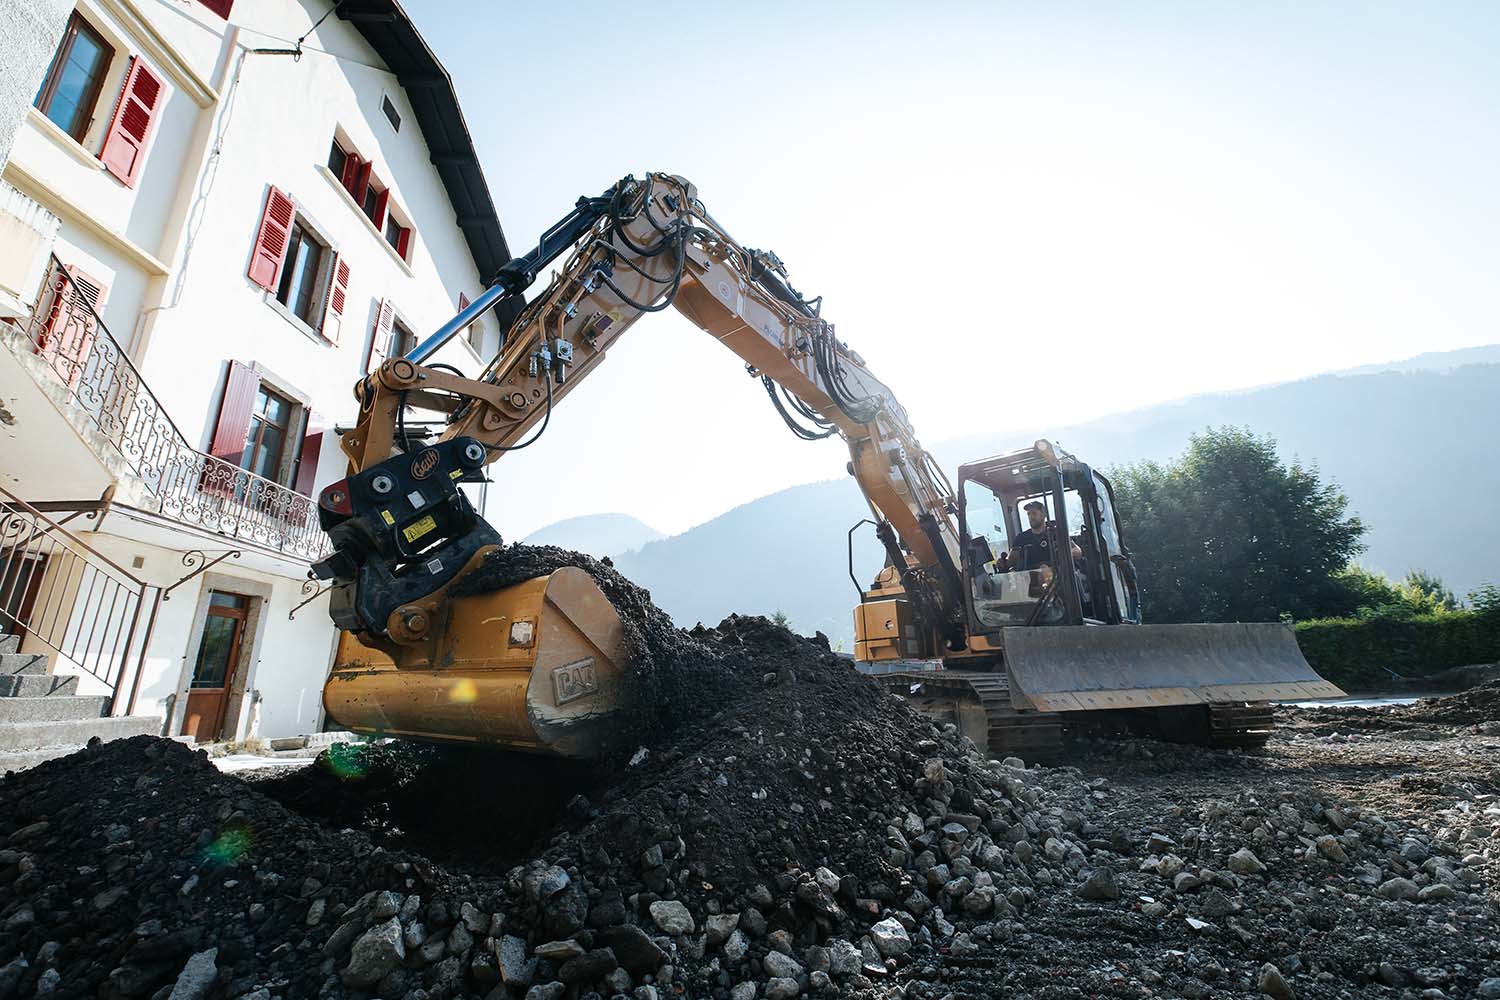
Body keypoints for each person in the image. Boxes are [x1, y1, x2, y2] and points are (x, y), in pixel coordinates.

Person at [1009, 501, 1082, 570]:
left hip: (1059, 574)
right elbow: (1011, 560)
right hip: (1031, 576)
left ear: (1044, 515)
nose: (1031, 517)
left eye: (1034, 513)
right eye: (1028, 514)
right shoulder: (1021, 538)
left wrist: (1065, 555)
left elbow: (1077, 551)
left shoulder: (1056, 533)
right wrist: (1008, 561)